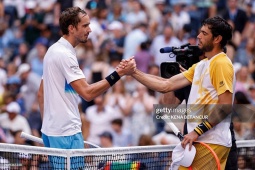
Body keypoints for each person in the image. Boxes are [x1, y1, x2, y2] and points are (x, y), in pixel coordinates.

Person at [121, 16, 234, 169]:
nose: (198, 36)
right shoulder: (202, 65)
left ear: (217, 39)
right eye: (200, 32)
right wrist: (134, 72)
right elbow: (166, 85)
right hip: (199, 141)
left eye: (204, 33)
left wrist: (196, 131)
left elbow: (225, 107)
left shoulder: (221, 63)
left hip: (212, 141)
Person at [37, 6, 135, 167]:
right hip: (66, 133)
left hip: (52, 131)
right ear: (71, 28)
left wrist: (47, 125)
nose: (90, 30)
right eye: (85, 26)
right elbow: (88, 94)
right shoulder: (64, 54)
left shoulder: (53, 50)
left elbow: (41, 94)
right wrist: (119, 73)